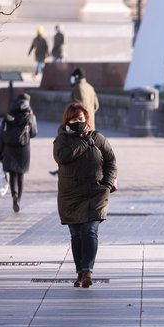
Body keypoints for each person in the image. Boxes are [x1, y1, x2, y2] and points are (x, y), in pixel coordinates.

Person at [53, 102, 117, 288]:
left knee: (89, 231)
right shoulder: (62, 140)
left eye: (81, 119)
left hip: (95, 193)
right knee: (77, 235)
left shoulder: (97, 138)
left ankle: (87, 271)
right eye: (74, 119)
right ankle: (80, 272)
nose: (78, 122)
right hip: (70, 195)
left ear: (86, 119)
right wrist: (84, 143)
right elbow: (62, 157)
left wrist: (107, 184)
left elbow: (111, 161)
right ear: (67, 121)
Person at [0, 93, 37, 213]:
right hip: (24, 149)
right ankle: (18, 199)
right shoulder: (29, 116)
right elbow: (34, 133)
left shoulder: (8, 115)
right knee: (21, 175)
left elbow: (1, 136)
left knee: (13, 174)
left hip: (9, 149)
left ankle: (14, 195)